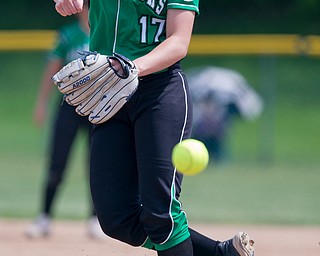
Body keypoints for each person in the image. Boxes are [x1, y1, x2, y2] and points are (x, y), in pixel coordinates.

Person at [53, 0, 255, 255]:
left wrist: (132, 68)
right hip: (108, 96)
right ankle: (218, 253)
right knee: (116, 219)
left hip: (159, 93)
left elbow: (179, 42)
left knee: (161, 213)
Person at [26, 2, 104, 239]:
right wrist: (41, 103)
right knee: (57, 163)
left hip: (99, 107)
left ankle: (95, 220)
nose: (87, 11)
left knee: (97, 165)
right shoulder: (68, 34)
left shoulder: (107, 33)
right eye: (86, 6)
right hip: (68, 106)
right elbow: (52, 69)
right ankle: (44, 217)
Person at [187, 66, 263, 162]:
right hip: (200, 131)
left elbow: (250, 108)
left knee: (216, 138)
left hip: (216, 131)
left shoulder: (227, 96)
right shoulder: (202, 91)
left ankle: (219, 159)